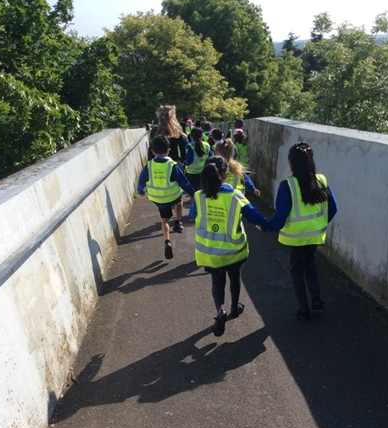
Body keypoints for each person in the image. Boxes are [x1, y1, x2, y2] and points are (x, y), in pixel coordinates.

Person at [191, 156, 267, 336]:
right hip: (234, 250)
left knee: (217, 281)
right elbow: (256, 218)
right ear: (226, 175)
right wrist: (269, 225)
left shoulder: (199, 196)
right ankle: (235, 307)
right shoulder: (235, 196)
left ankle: (221, 310)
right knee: (235, 277)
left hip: (209, 251)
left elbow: (192, 215)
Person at [262, 141, 338, 321]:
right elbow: (333, 208)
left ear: (291, 163)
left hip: (295, 236)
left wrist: (267, 226)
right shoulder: (321, 180)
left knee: (296, 270)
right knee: (309, 262)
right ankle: (316, 297)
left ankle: (304, 309)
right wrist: (319, 224)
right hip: (315, 234)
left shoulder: (287, 185)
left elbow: (281, 216)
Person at [138, 135, 195, 260]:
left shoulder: (149, 165)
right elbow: (184, 182)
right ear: (168, 150)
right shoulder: (172, 165)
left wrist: (140, 191)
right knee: (179, 200)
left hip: (158, 198)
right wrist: (193, 193)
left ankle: (167, 240)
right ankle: (178, 222)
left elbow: (141, 180)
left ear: (153, 151)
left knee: (164, 220)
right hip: (173, 196)